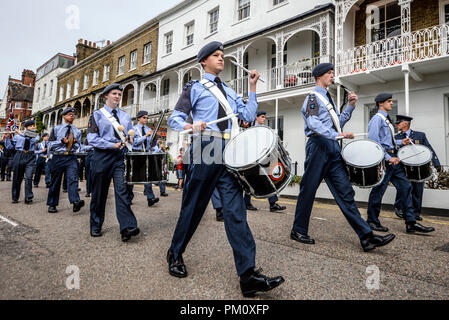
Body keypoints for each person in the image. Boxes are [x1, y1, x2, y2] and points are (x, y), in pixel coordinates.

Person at [166, 41, 284, 297]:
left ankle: (248, 275)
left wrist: (252, 89)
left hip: (230, 151)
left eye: (222, 55)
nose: (221, 59)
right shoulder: (194, 87)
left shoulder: (230, 91)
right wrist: (191, 125)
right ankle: (175, 254)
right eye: (216, 56)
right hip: (206, 148)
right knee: (194, 207)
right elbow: (174, 119)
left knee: (235, 211)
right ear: (203, 62)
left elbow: (248, 116)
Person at [291, 63, 396, 252]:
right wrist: (337, 135)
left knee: (345, 192)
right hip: (318, 146)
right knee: (308, 190)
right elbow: (313, 123)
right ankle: (298, 230)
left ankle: (367, 237)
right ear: (319, 76)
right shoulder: (313, 98)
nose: (332, 76)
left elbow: (336, 124)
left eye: (332, 73)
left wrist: (350, 106)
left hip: (332, 148)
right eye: (329, 73)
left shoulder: (328, 99)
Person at [367, 94, 435, 234]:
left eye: (391, 101)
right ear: (381, 103)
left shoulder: (386, 120)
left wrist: (399, 142)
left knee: (406, 187)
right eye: (389, 101)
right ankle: (372, 221)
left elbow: (386, 140)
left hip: (394, 159)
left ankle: (411, 223)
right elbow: (374, 142)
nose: (392, 103)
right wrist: (387, 157)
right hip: (385, 160)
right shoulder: (377, 119)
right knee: (378, 191)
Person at [87, 83, 140, 242]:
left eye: (119, 94)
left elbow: (131, 137)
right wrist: (111, 144)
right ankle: (96, 225)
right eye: (114, 93)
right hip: (102, 156)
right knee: (99, 193)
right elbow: (92, 139)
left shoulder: (124, 116)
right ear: (106, 96)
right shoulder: (97, 115)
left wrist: (130, 139)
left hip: (120, 156)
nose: (117, 96)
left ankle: (127, 227)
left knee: (122, 191)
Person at [393, 115, 441, 221]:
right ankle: (400, 208)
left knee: (418, 190)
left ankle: (416, 213)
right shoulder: (396, 138)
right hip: (403, 168)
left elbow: (429, 149)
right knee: (403, 188)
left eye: (398, 123)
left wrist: (436, 162)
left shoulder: (420, 135)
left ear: (405, 123)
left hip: (419, 168)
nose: (396, 125)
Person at [243, 111, 287, 212]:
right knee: (251, 180)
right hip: (252, 159)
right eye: (262, 117)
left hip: (263, 158)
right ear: (256, 118)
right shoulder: (251, 129)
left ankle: (273, 204)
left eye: (264, 117)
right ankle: (246, 203)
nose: (264, 119)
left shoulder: (264, 129)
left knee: (269, 180)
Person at [46, 107, 85, 214]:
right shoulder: (56, 129)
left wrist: (75, 142)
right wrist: (61, 141)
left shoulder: (77, 131)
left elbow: (78, 146)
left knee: (73, 179)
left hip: (71, 157)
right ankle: (52, 204)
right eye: (69, 114)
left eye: (73, 114)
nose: (71, 115)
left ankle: (75, 201)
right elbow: (49, 144)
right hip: (58, 156)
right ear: (63, 116)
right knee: (55, 181)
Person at [128, 110, 160, 207]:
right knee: (133, 177)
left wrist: (155, 145)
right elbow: (134, 143)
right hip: (136, 153)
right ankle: (128, 198)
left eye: (147, 117)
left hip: (146, 153)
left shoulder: (148, 129)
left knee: (147, 176)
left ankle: (150, 198)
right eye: (144, 117)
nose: (146, 119)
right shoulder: (133, 129)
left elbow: (150, 143)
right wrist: (145, 136)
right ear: (139, 118)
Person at [11, 120, 40, 204]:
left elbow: (34, 140)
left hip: (30, 156)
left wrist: (21, 133)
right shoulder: (17, 136)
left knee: (29, 177)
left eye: (33, 126)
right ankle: (15, 197)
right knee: (17, 177)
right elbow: (11, 145)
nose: (33, 127)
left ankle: (28, 197)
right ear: (26, 127)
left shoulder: (35, 135)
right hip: (19, 155)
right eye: (30, 126)